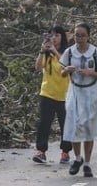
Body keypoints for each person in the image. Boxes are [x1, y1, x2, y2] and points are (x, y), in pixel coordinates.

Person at [60, 22, 97, 178]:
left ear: (88, 36)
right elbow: (61, 73)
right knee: (74, 126)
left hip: (91, 92)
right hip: (74, 91)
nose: (78, 38)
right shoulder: (69, 52)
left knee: (88, 127)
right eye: (76, 35)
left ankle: (87, 163)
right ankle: (77, 158)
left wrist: (91, 73)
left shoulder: (95, 52)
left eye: (82, 35)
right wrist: (66, 70)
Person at [32, 25, 72, 164]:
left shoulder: (67, 52)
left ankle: (65, 152)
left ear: (62, 37)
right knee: (44, 123)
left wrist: (54, 51)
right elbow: (38, 67)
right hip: (47, 92)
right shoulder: (46, 53)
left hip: (64, 95)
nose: (53, 38)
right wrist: (42, 51)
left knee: (65, 124)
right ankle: (41, 151)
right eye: (51, 36)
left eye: (57, 35)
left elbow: (66, 66)